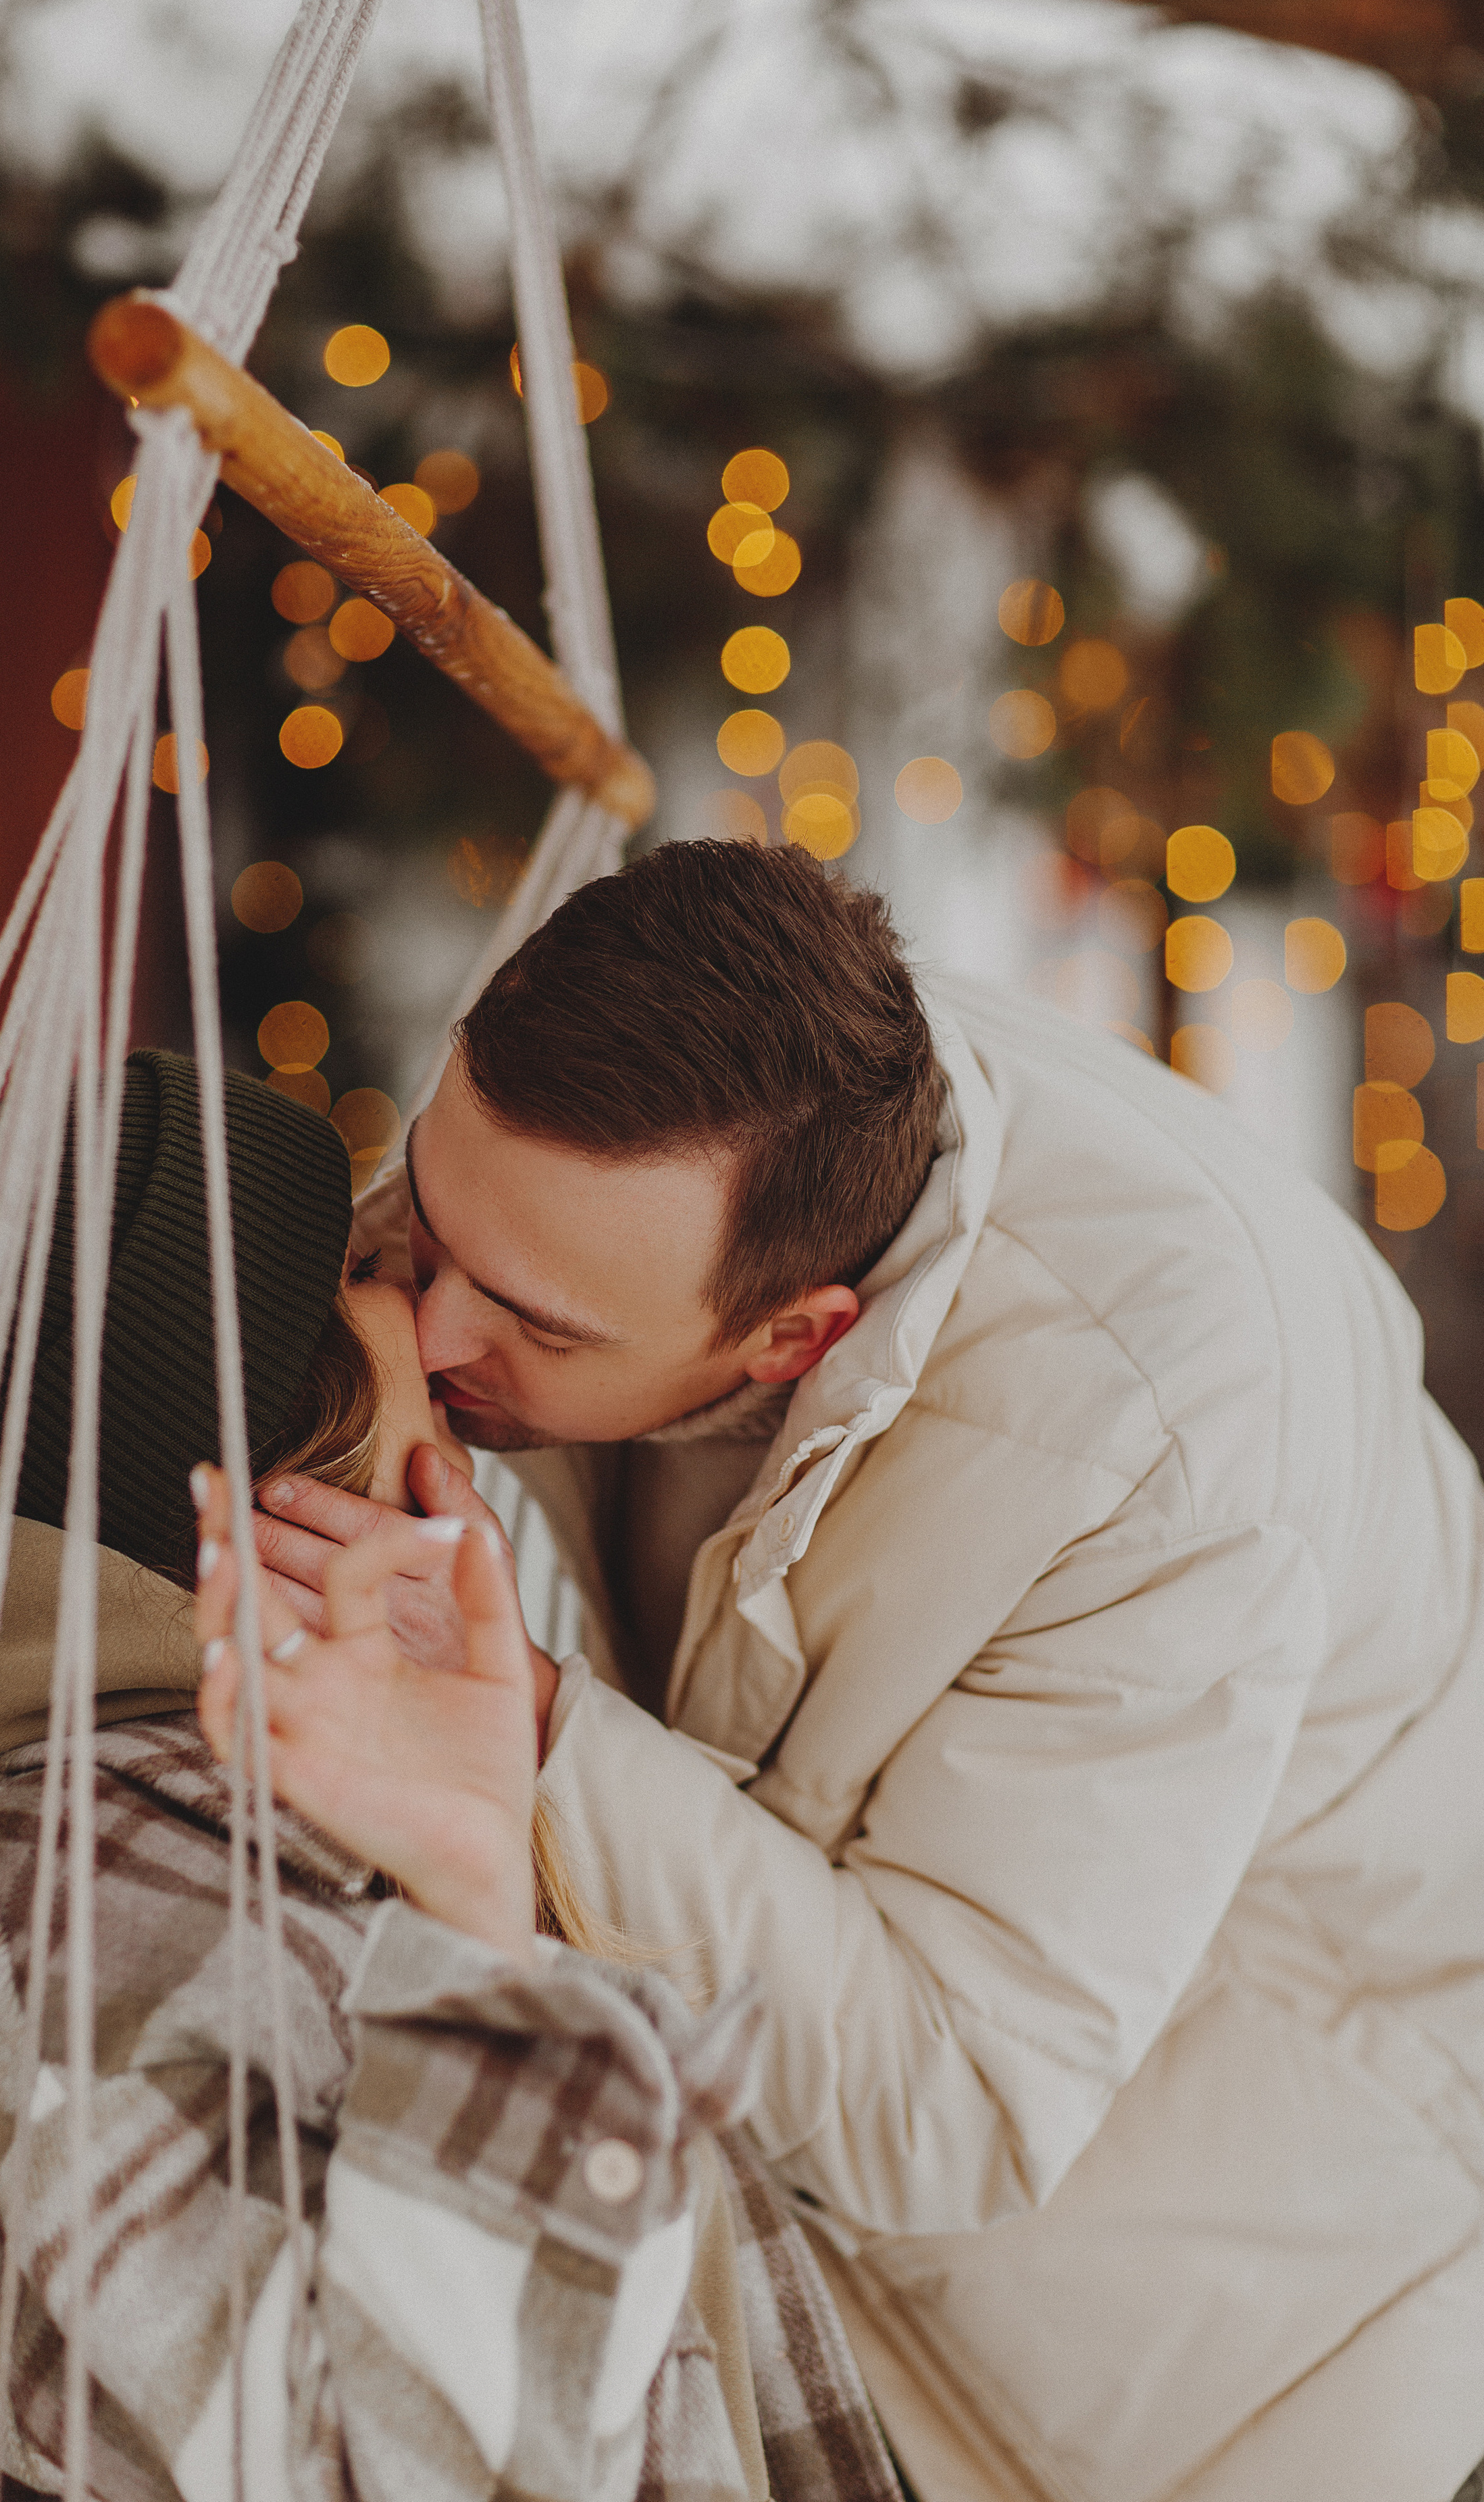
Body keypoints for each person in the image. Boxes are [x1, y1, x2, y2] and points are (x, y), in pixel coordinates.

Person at [252, 840, 1484, 2502]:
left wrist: (535, 1733)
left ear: (794, 1341)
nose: (429, 1310)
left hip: (1238, 2341)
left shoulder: (1170, 1464)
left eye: (529, 1324)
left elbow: (953, 2104)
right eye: (429, 1205)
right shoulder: (714, 1092)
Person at [0, 1049, 900, 2502]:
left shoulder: (149, 1803)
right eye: (375, 1282)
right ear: (282, 1431)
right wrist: (477, 1906)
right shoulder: (92, 1881)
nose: (437, 1337)